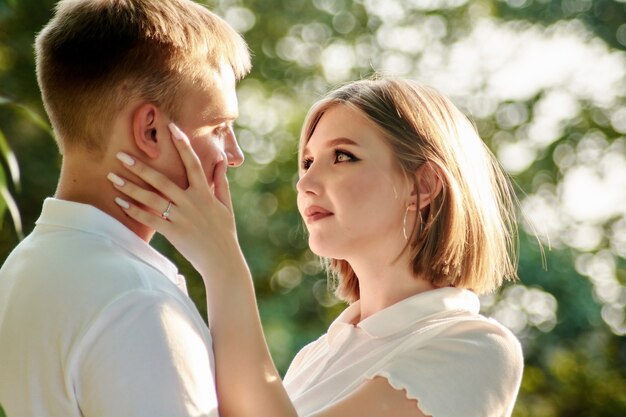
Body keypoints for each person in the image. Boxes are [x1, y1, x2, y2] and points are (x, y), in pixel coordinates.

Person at [110, 77, 524, 417]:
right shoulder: (315, 357)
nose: (305, 184)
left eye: (342, 156)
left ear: (424, 185)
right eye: (307, 162)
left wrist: (224, 266)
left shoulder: (477, 348)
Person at [0, 1, 250, 416]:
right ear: (150, 130)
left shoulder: (19, 268)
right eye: (219, 127)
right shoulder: (140, 305)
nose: (235, 154)